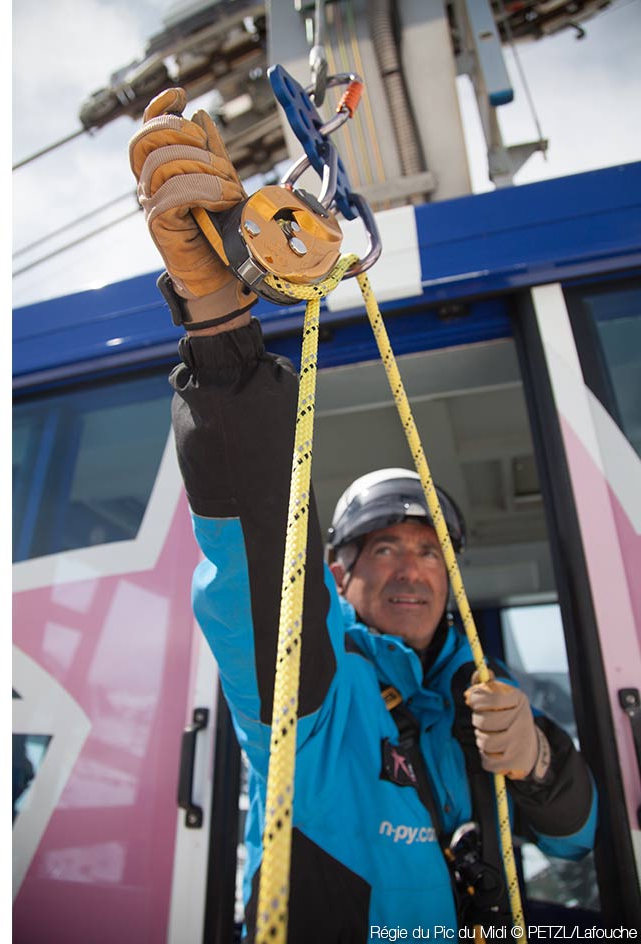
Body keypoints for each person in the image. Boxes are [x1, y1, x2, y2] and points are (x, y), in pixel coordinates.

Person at [129, 88, 597, 937]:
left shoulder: (481, 697)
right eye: (382, 549)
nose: (411, 567)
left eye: (427, 550)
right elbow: (265, 567)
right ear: (338, 575)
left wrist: (539, 762)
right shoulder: (317, 693)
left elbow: (577, 839)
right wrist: (220, 325)